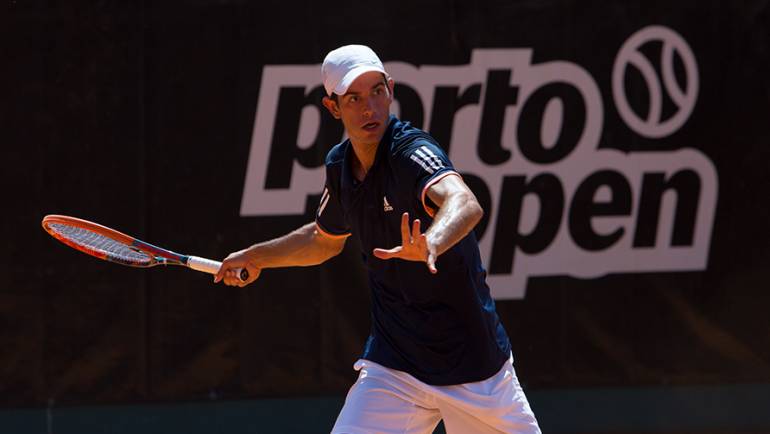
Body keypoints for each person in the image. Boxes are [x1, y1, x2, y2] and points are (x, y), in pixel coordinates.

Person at [215, 44, 541, 434]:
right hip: (395, 368)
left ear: (390, 89)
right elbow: (323, 240)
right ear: (333, 107)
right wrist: (256, 256)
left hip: (474, 369)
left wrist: (433, 241)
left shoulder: (411, 152)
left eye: (377, 92)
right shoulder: (340, 167)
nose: (369, 108)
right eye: (353, 98)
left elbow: (464, 201)